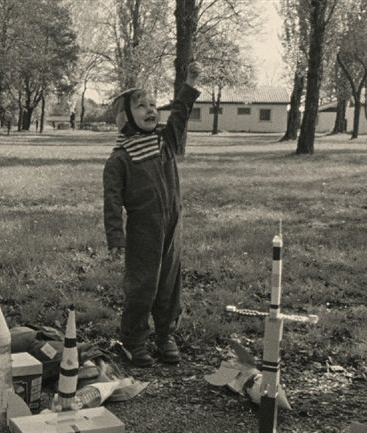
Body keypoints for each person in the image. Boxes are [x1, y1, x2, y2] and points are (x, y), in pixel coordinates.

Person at [102, 63, 201, 367]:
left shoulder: (164, 142)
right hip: (144, 231)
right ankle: (133, 340)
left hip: (172, 227)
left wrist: (189, 83)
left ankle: (165, 335)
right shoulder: (120, 159)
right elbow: (112, 201)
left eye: (153, 105)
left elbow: (180, 113)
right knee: (143, 286)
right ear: (125, 117)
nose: (150, 110)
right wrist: (116, 238)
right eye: (141, 106)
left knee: (169, 284)